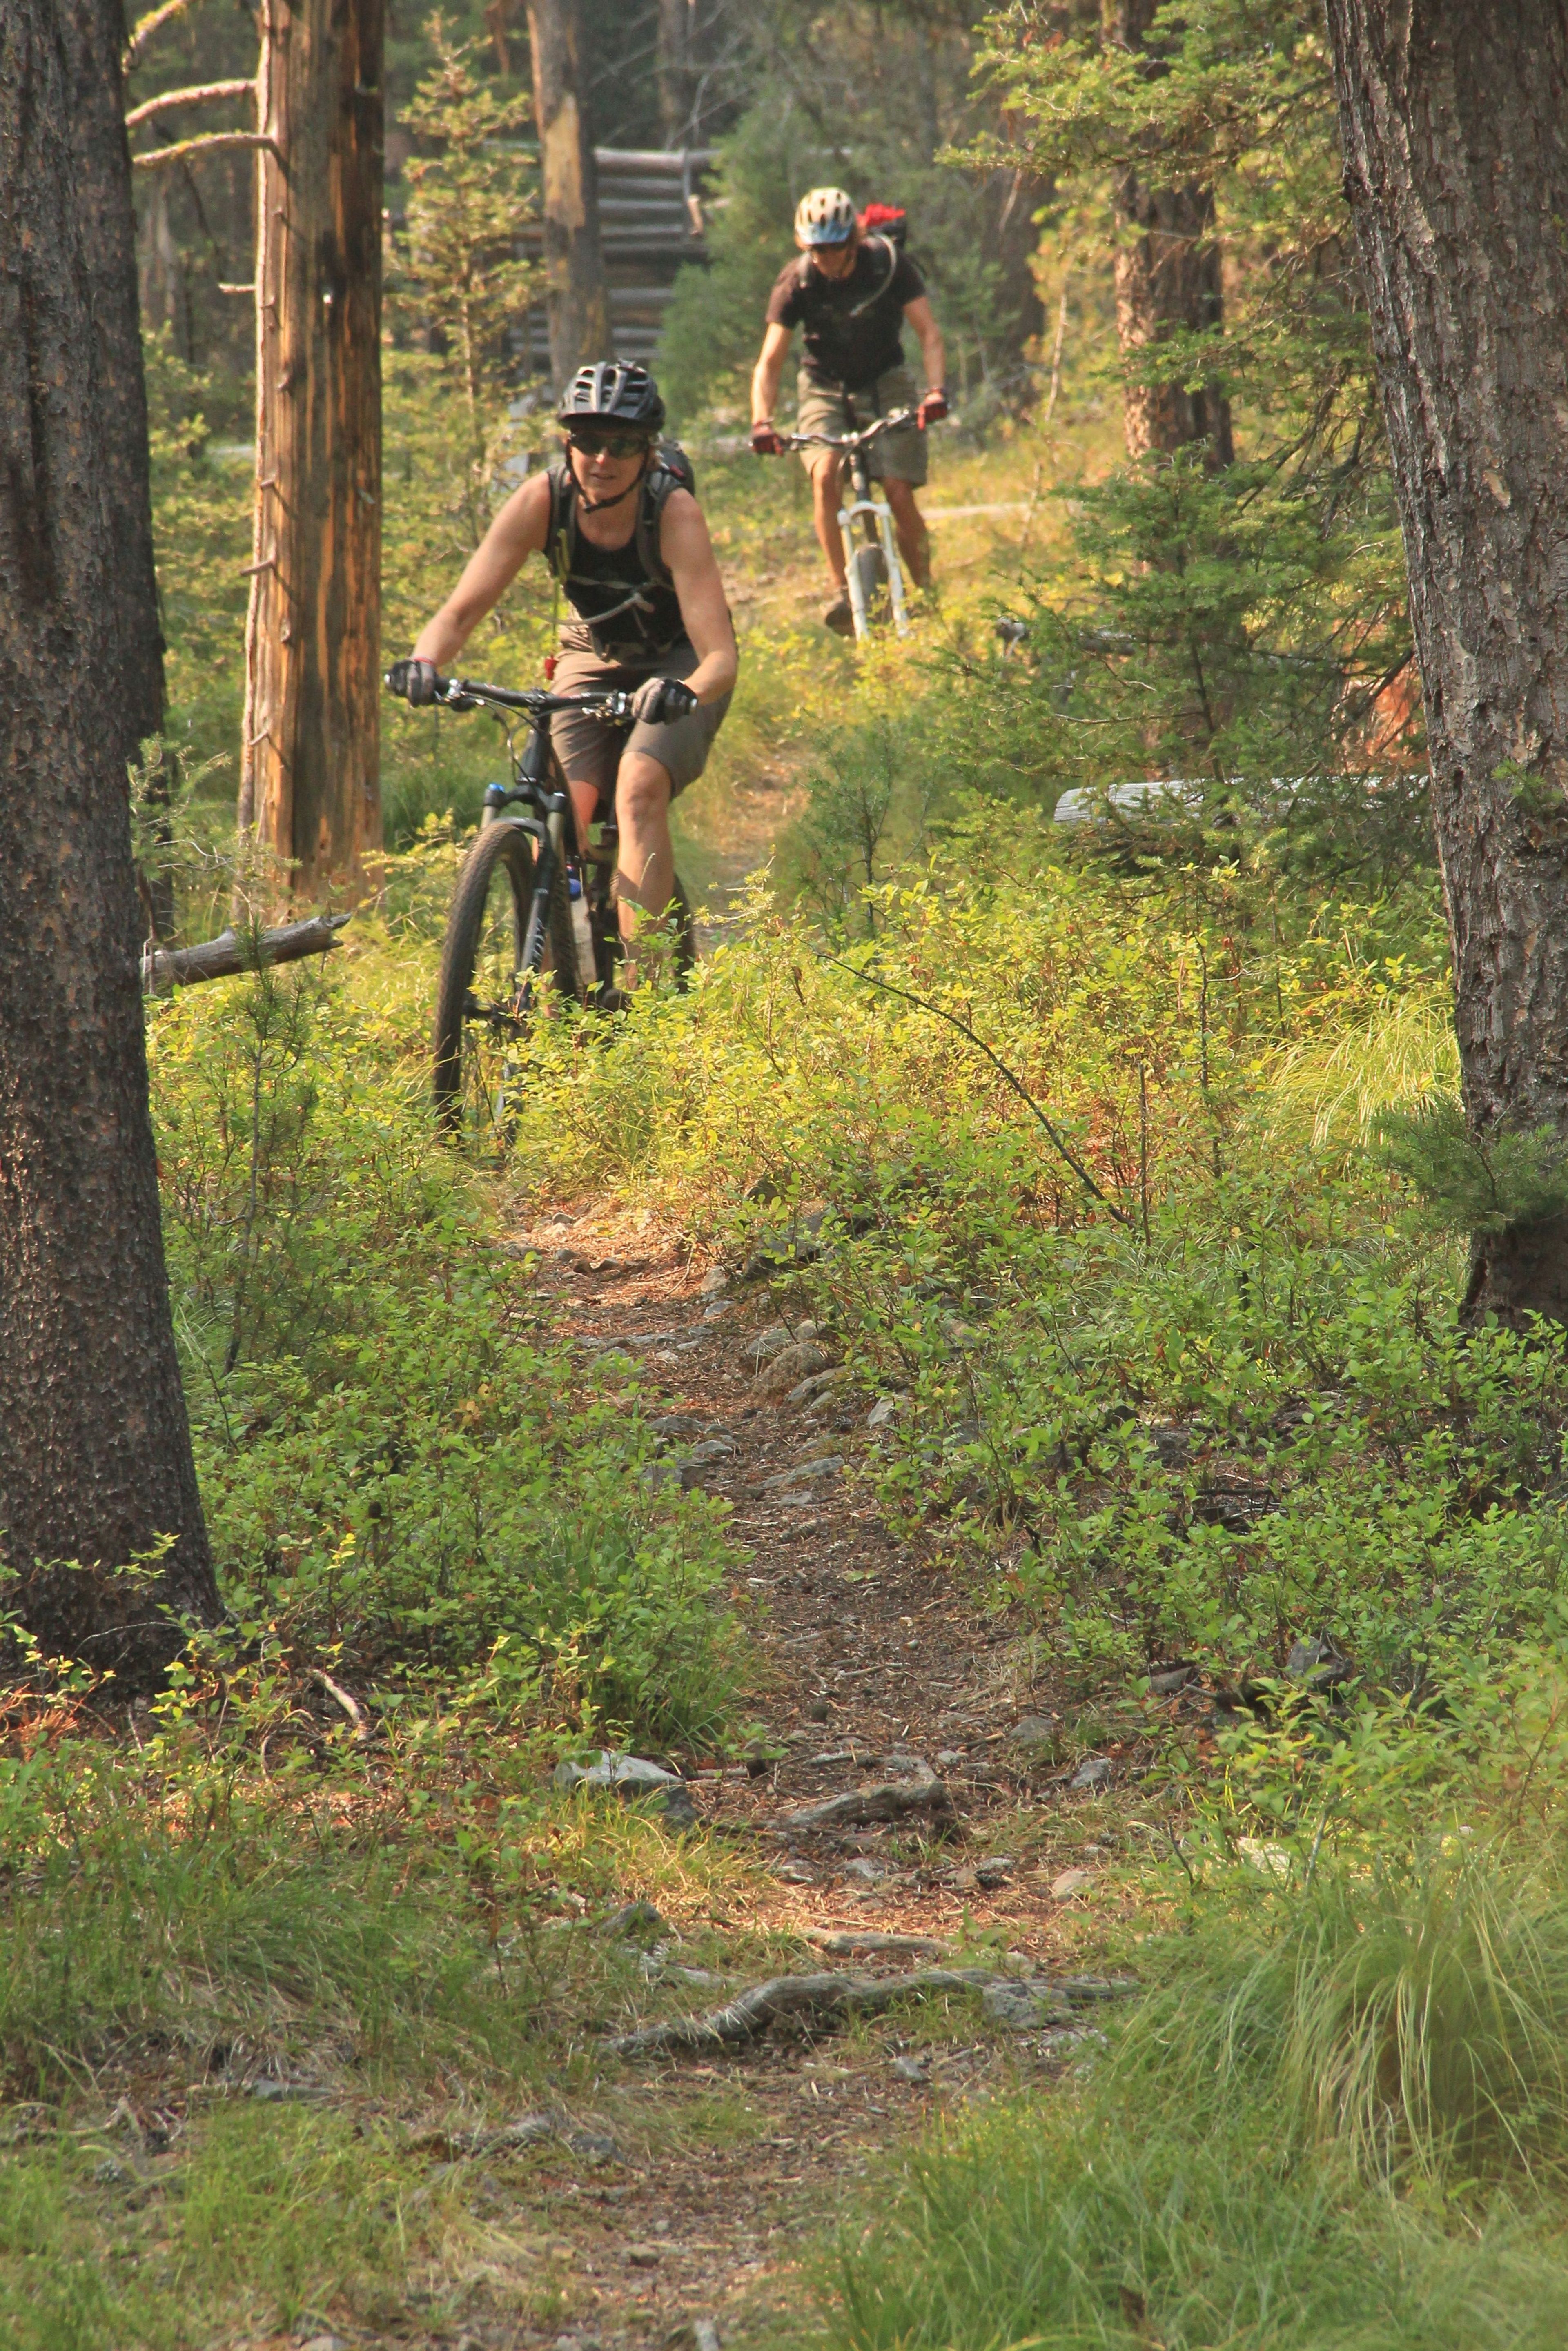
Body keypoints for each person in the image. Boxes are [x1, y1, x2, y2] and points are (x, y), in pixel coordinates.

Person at [399, 361, 737, 985]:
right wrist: (425, 662)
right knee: (562, 818)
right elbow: (462, 610)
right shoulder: (542, 501)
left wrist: (680, 692)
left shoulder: (673, 511)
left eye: (622, 444)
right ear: (566, 443)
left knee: (637, 786)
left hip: (679, 661)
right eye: (587, 441)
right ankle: (550, 1001)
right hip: (593, 653)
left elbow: (719, 656)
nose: (602, 459)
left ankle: (650, 999)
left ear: (647, 450)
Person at [749, 186, 948, 635]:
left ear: (853, 241)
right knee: (824, 476)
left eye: (835, 247)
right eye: (817, 249)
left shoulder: (890, 266)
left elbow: (929, 334)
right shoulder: (797, 281)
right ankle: (842, 591)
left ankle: (927, 592)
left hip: (887, 381)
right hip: (825, 388)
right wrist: (762, 421)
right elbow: (770, 362)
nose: (826, 259)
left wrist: (936, 392)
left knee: (898, 490)